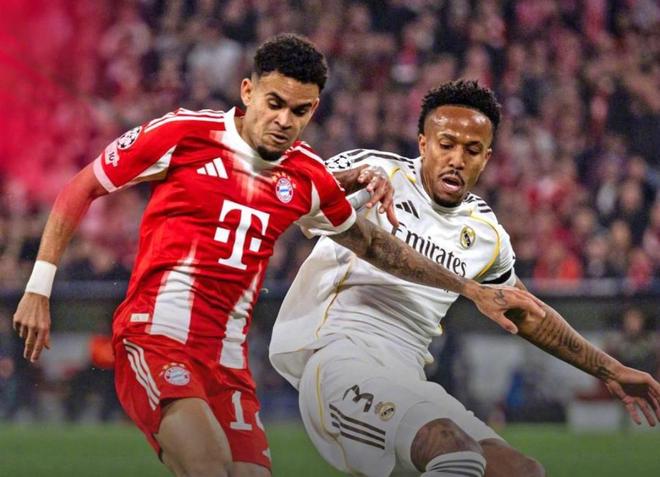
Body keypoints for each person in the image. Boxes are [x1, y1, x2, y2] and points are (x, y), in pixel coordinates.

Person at [12, 37, 542, 477]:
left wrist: (466, 286)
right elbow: (81, 187)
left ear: (314, 109)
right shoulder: (184, 135)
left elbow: (374, 244)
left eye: (300, 110)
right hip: (156, 338)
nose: (285, 120)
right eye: (275, 103)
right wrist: (39, 287)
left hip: (228, 363)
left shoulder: (305, 174)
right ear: (248, 92)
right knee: (209, 466)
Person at [269, 80, 660, 477]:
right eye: (446, 145)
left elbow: (527, 314)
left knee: (521, 472)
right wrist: (347, 178)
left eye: (472, 150)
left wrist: (610, 370)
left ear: (486, 158)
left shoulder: (486, 233)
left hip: (407, 379)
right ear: (423, 144)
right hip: (340, 358)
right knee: (454, 452)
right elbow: (302, 200)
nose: (457, 159)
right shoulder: (376, 172)